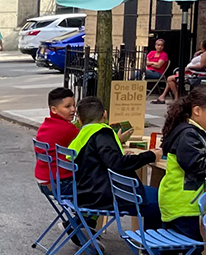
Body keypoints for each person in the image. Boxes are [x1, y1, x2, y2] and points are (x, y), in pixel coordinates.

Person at [68, 96, 161, 231]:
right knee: (163, 201)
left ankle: (80, 226)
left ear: (80, 120)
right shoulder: (102, 134)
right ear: (104, 114)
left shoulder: (84, 135)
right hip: (104, 195)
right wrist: (151, 155)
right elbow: (116, 163)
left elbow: (98, 158)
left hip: (85, 191)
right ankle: (154, 248)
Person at [154, 85, 206, 255]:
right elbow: (197, 165)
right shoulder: (188, 134)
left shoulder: (187, 129)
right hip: (184, 200)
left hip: (175, 197)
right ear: (197, 110)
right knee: (193, 249)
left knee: (173, 247)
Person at [34, 86, 78, 196]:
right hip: (60, 183)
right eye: (68, 106)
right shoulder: (68, 129)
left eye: (74, 105)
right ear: (54, 109)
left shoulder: (46, 126)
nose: (73, 109)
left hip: (44, 181)